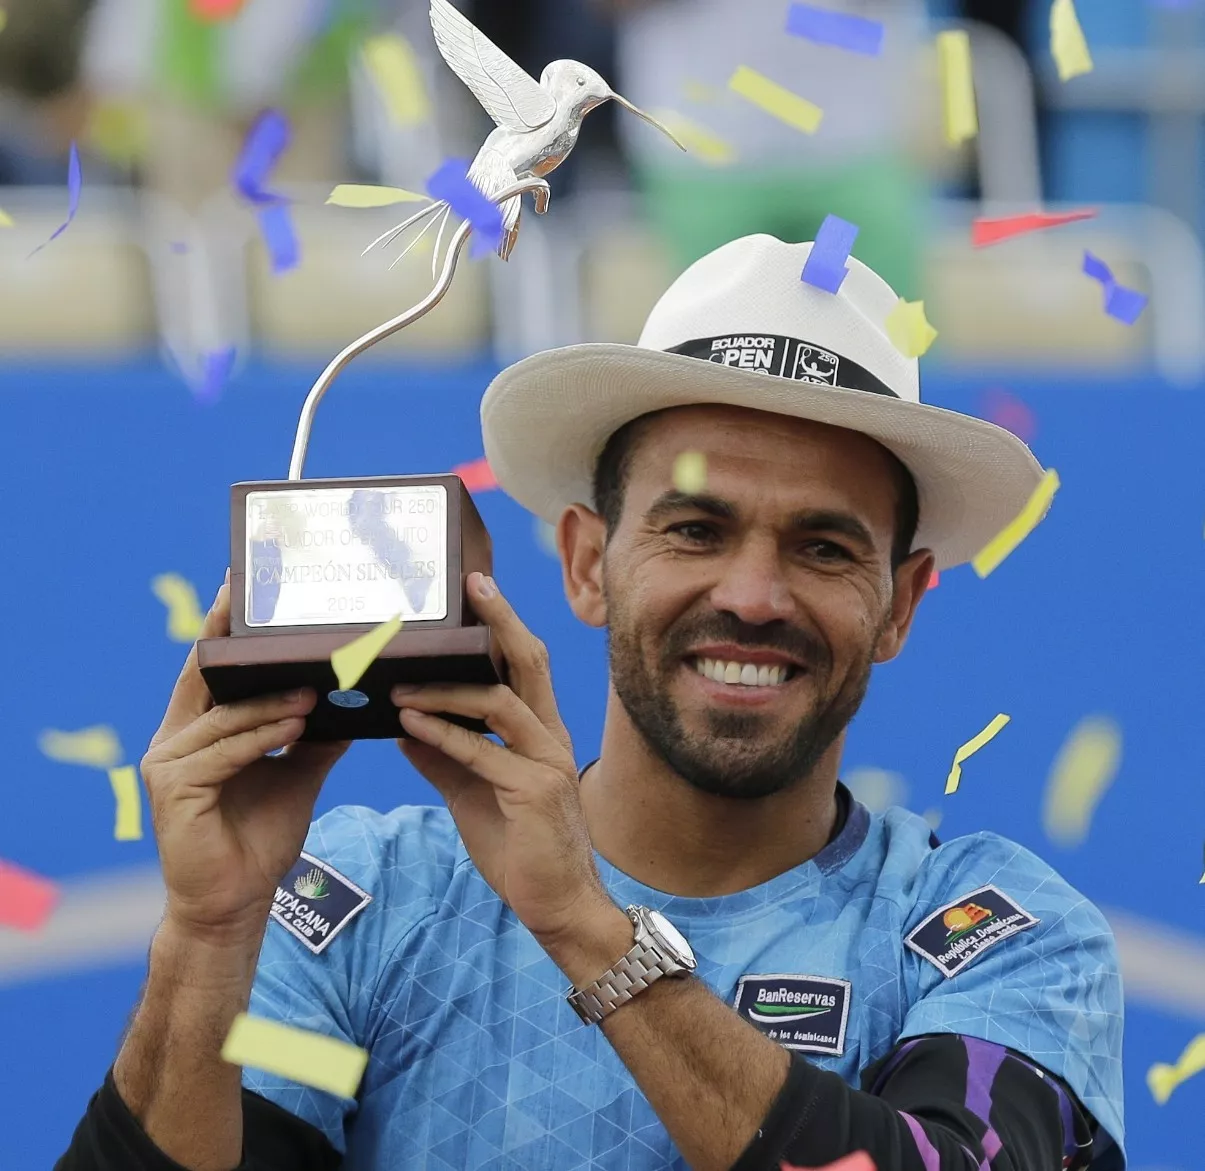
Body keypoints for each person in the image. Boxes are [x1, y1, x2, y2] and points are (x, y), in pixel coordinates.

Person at [58, 234, 1124, 1171]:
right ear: (583, 562)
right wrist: (207, 931)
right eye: (693, 530)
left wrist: (587, 926)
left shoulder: (991, 935)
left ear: (898, 602)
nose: (751, 596)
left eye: (821, 546)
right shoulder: (363, 903)